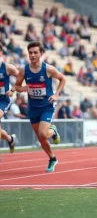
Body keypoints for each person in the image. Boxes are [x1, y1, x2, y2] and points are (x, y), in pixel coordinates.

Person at [15, 41, 66, 172]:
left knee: (43, 134)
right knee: (41, 138)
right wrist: (23, 88)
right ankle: (52, 158)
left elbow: (63, 79)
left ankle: (53, 131)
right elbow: (17, 86)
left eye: (35, 52)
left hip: (46, 106)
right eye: (30, 53)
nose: (32, 55)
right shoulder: (24, 70)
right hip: (33, 107)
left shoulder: (48, 69)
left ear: (41, 53)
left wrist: (56, 95)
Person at [0, 43, 18, 153]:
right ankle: (10, 139)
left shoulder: (7, 67)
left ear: (1, 53)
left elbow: (21, 76)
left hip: (2, 100)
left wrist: (12, 89)